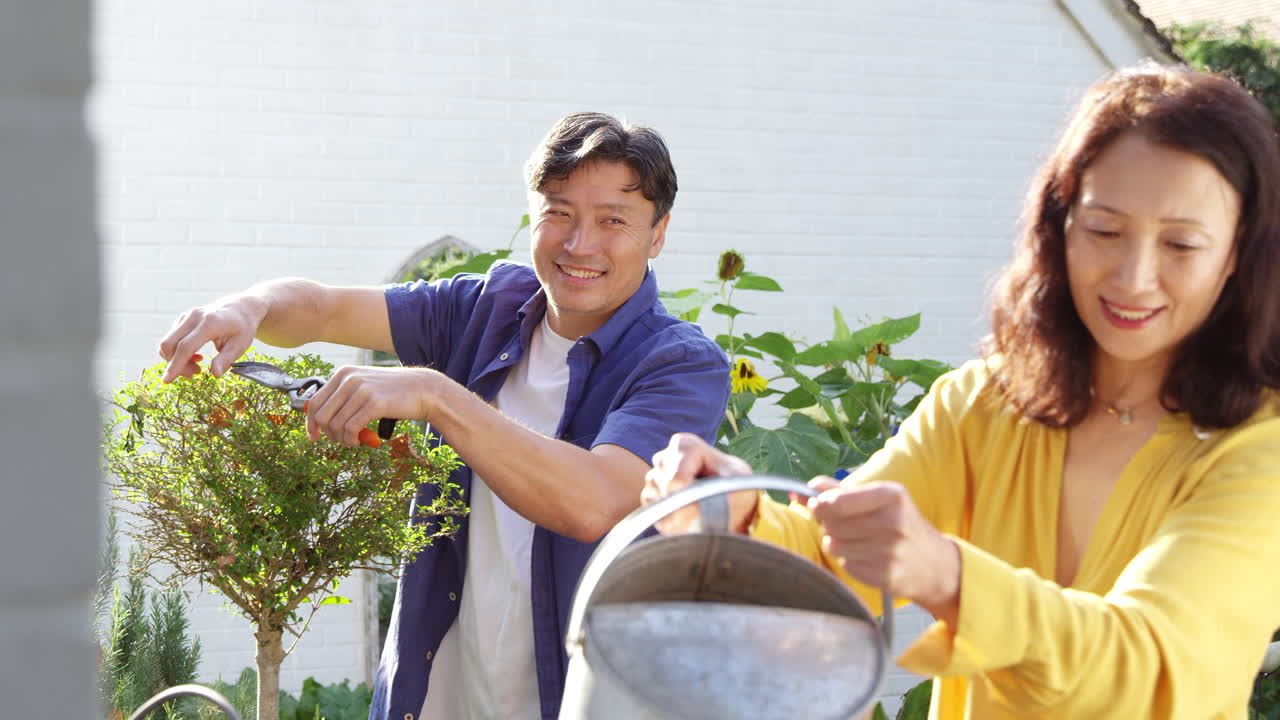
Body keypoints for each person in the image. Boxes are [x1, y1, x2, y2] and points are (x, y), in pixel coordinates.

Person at [643, 64, 1280, 719]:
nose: (1134, 277)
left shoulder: (1262, 453)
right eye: (1105, 231)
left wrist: (950, 577)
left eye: (1181, 244)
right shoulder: (985, 402)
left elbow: (1144, 665)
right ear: (1058, 224)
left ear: (1238, 253)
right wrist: (739, 513)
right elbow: (831, 560)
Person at [158, 112, 730, 720]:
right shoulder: (486, 308)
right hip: (434, 699)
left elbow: (593, 502)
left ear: (658, 233)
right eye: (558, 212)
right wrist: (248, 307)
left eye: (613, 220)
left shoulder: (680, 364)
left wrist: (434, 396)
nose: (579, 243)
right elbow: (324, 311)